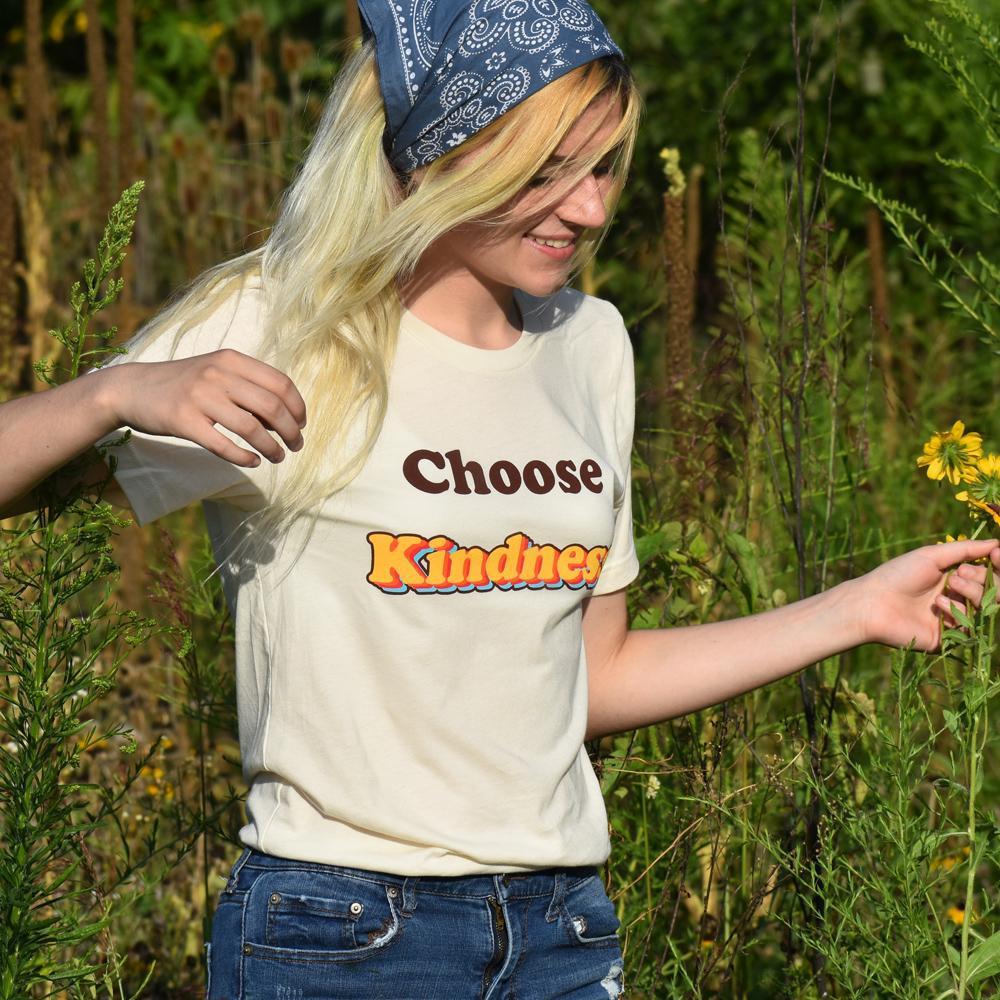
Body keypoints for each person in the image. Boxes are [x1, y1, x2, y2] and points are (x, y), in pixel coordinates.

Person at [0, 2, 996, 997]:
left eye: (602, 168)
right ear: (444, 151)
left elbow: (597, 677)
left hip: (561, 930)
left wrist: (854, 608)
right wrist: (109, 396)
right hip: (341, 931)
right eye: (546, 172)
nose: (590, 209)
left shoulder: (590, 344)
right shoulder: (285, 325)